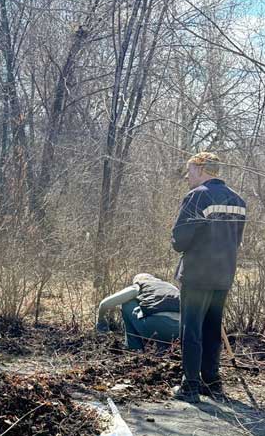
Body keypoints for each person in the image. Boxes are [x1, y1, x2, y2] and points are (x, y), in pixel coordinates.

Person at [171, 152, 246, 402]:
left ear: (201, 169)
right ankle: (212, 383)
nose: (187, 176)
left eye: (190, 170)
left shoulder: (198, 196)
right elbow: (237, 240)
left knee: (191, 329)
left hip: (197, 275)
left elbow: (180, 240)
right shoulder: (238, 200)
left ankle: (191, 386)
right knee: (212, 329)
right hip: (223, 274)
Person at [96, 273, 180, 352]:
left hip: (155, 326)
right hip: (180, 330)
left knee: (127, 303)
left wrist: (101, 320)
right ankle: (163, 349)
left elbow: (104, 304)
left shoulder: (140, 285)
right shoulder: (171, 287)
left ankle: (134, 348)